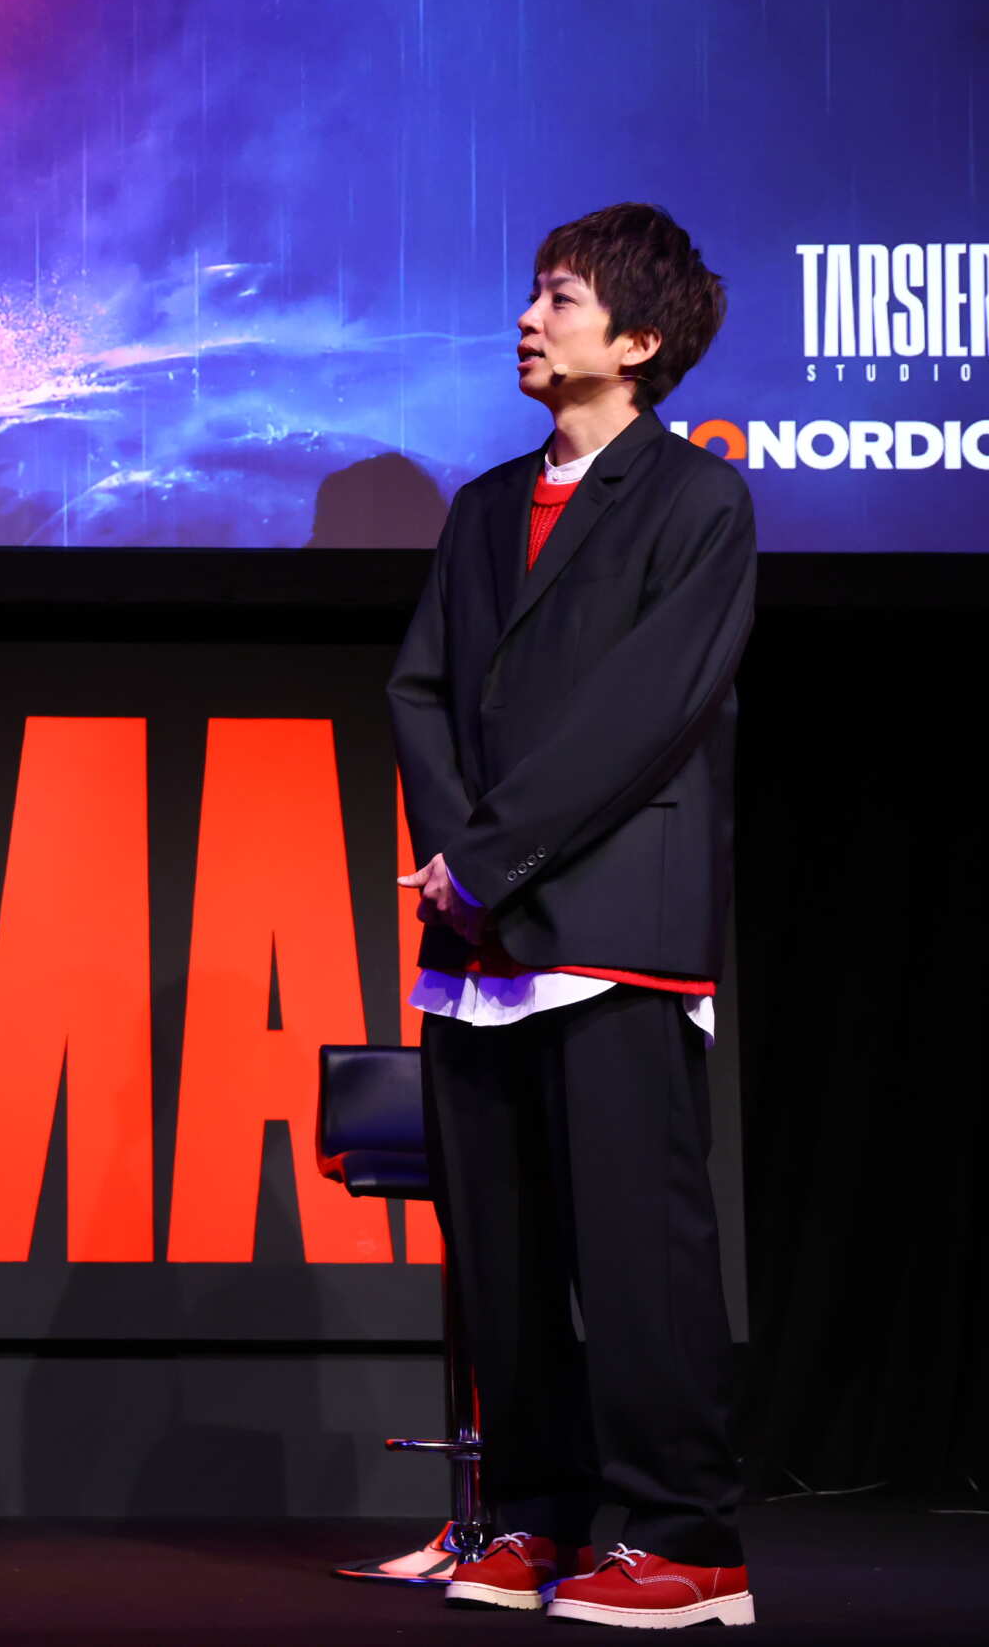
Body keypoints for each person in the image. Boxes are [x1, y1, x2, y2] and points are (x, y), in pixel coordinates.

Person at [389, 204, 758, 1629]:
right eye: (533, 294)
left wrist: (489, 857)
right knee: (504, 1249)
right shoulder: (485, 504)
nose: (529, 318)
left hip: (612, 929)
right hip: (478, 938)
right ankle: (537, 1518)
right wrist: (457, 861)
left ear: (640, 339)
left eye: (559, 297)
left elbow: (643, 714)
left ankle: (688, 1539)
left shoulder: (698, 499)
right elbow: (421, 688)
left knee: (635, 1250)